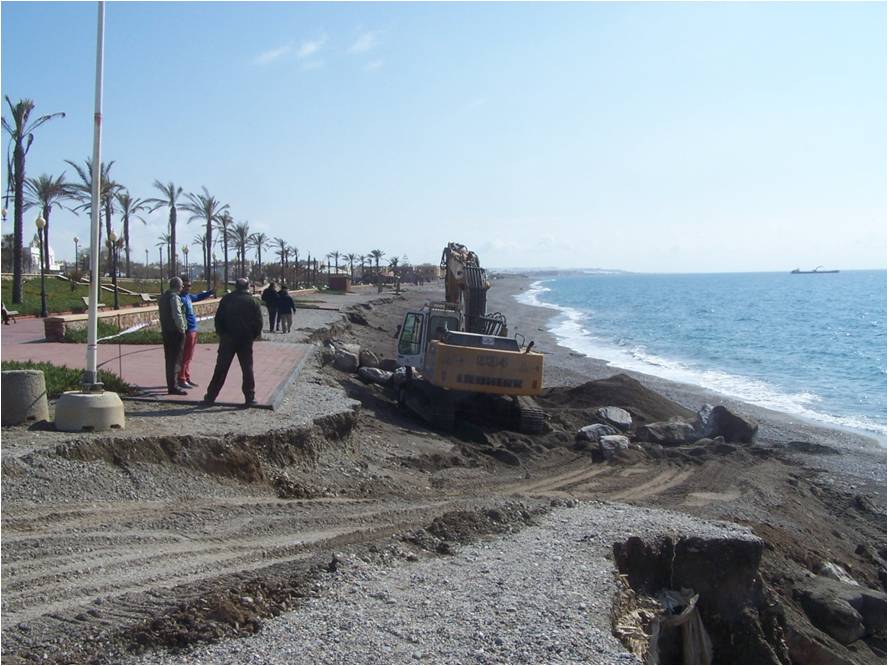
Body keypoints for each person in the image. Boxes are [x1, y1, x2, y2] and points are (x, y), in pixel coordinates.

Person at [202, 277, 263, 407]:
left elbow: (218, 319)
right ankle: (249, 398)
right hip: (245, 340)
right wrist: (252, 336)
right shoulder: (253, 301)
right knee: (247, 369)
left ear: (236, 286)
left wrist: (222, 334)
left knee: (221, 369)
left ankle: (210, 397)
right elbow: (258, 323)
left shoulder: (227, 299)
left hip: (227, 339)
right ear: (247, 286)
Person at [177, 277, 215, 388]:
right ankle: (181, 378)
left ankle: (187, 377)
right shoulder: (179, 299)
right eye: (186, 285)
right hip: (188, 330)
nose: (188, 288)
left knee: (189, 356)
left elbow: (198, 297)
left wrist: (210, 292)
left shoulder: (188, 297)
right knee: (184, 356)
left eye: (189, 285)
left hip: (193, 329)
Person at [158, 277, 188, 395]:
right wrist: (182, 329)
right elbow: (177, 314)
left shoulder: (163, 297)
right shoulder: (174, 297)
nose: (182, 288)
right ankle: (174, 386)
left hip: (166, 331)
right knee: (176, 359)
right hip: (175, 332)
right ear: (177, 286)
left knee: (169, 359)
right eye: (181, 286)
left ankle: (171, 384)